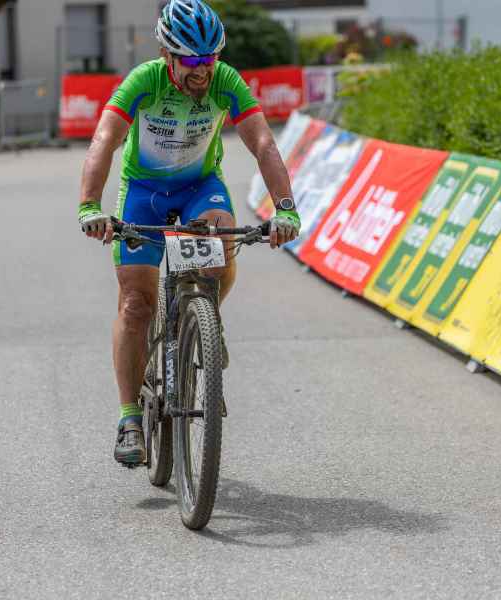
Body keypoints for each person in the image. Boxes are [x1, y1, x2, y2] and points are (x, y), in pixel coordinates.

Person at [77, 0, 300, 465]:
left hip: (200, 187)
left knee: (223, 243)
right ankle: (129, 418)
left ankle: (205, 321)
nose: (203, 69)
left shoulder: (226, 81)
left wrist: (285, 209)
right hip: (144, 192)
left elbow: (263, 142)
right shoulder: (144, 81)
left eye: (210, 57)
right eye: (192, 59)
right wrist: (90, 206)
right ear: (167, 55)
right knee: (136, 304)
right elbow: (104, 139)